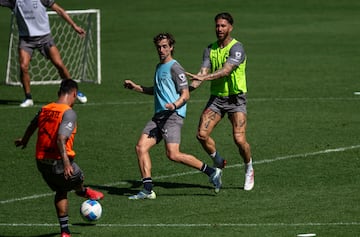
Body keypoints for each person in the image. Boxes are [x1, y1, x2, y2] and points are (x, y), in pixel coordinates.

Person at [123, 32, 222, 200]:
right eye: (159, 47)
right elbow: (157, 91)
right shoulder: (159, 67)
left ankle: (212, 172)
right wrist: (136, 87)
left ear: (171, 47)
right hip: (159, 116)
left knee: (173, 154)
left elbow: (185, 94)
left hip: (173, 116)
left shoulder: (176, 67)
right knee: (141, 147)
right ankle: (147, 189)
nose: (161, 50)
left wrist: (174, 105)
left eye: (164, 47)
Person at [14, 79, 103, 237]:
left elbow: (32, 125)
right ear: (74, 93)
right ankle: (82, 191)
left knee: (61, 190)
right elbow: (61, 139)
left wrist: (24, 140)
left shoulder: (45, 109)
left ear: (58, 93)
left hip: (41, 161)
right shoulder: (68, 112)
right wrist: (67, 163)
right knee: (78, 175)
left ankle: (65, 232)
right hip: (60, 161)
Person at [186, 12, 254, 191]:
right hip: (217, 99)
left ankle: (249, 169)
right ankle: (218, 160)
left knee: (239, 139)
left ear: (230, 27)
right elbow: (201, 74)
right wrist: (186, 89)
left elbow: (226, 70)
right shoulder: (210, 49)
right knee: (201, 134)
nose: (219, 29)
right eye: (217, 26)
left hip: (236, 99)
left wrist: (204, 77)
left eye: (223, 26)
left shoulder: (237, 48)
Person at [0, 0, 87, 107]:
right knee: (23, 66)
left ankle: (75, 91)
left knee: (59, 64)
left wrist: (74, 26)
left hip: (45, 38)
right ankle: (28, 98)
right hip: (26, 40)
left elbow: (59, 10)